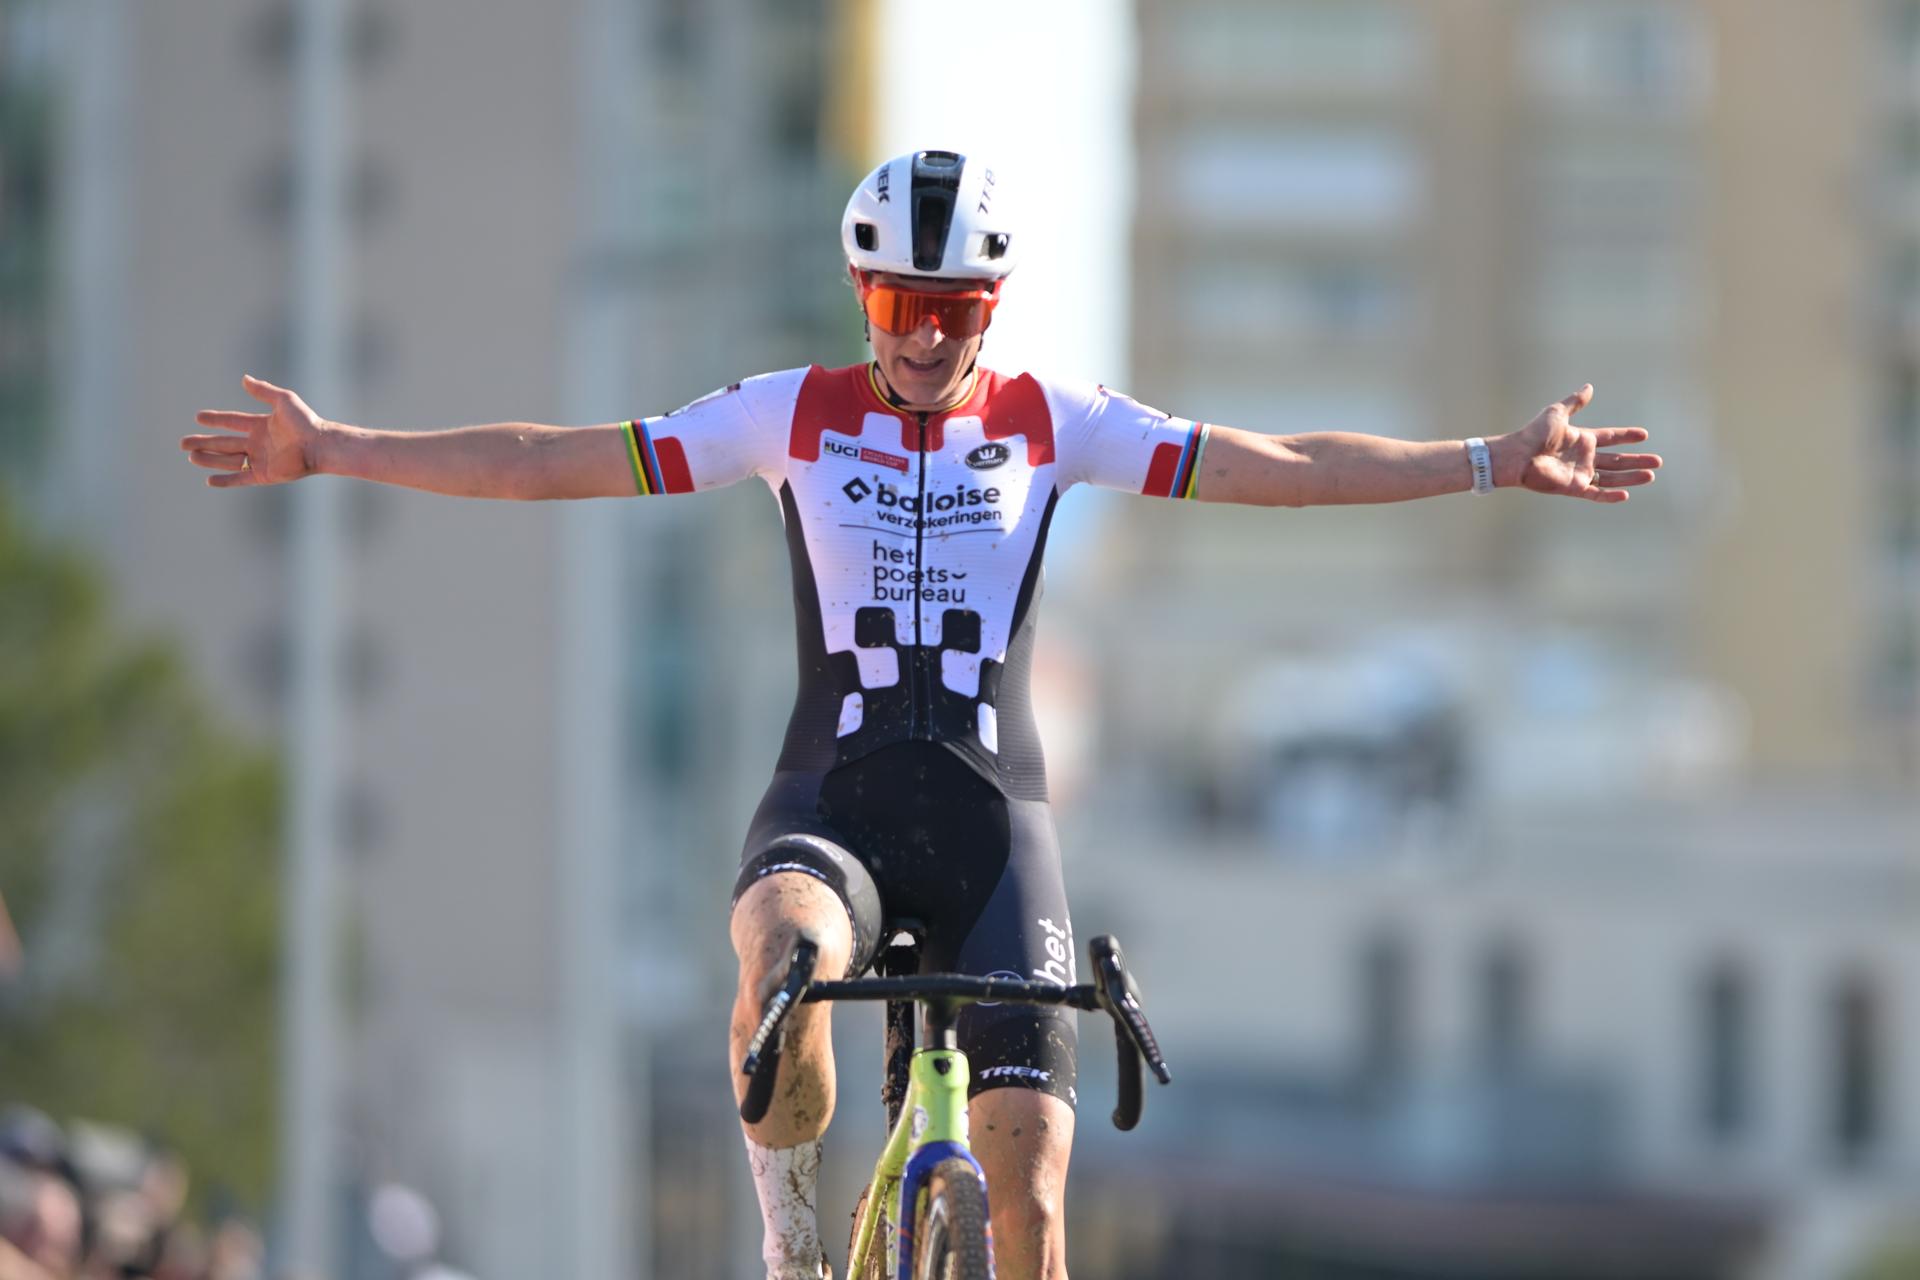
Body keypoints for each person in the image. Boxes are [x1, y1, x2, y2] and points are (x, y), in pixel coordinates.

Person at [182, 149, 1661, 1280]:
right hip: (831, 808)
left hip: (994, 828)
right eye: (900, 305)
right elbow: (554, 459)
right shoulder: (790, 411)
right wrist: (336, 448)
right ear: (863, 299)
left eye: (952, 310)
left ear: (990, 311)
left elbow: (1279, 460)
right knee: (783, 971)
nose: (926, 338)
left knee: (1031, 1205)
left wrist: (1488, 460)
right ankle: (791, 1241)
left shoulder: (1054, 419)